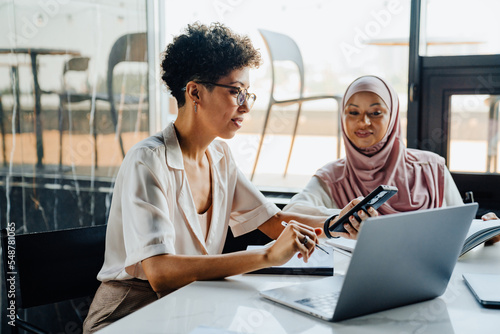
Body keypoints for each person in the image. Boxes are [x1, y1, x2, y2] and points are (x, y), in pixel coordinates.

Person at [83, 23, 373, 333]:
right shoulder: (148, 161)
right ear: (195, 92)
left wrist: (335, 222)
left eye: (248, 94)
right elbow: (161, 272)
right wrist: (267, 256)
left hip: (186, 308)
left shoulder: (219, 157)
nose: (246, 106)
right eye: (236, 92)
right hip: (127, 316)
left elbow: (273, 221)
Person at [284, 75, 464, 239]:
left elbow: (464, 229)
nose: (363, 122)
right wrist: (339, 218)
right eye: (353, 112)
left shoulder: (431, 169)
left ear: (392, 117)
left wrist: (488, 233)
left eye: (376, 113)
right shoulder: (333, 177)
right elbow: (289, 216)